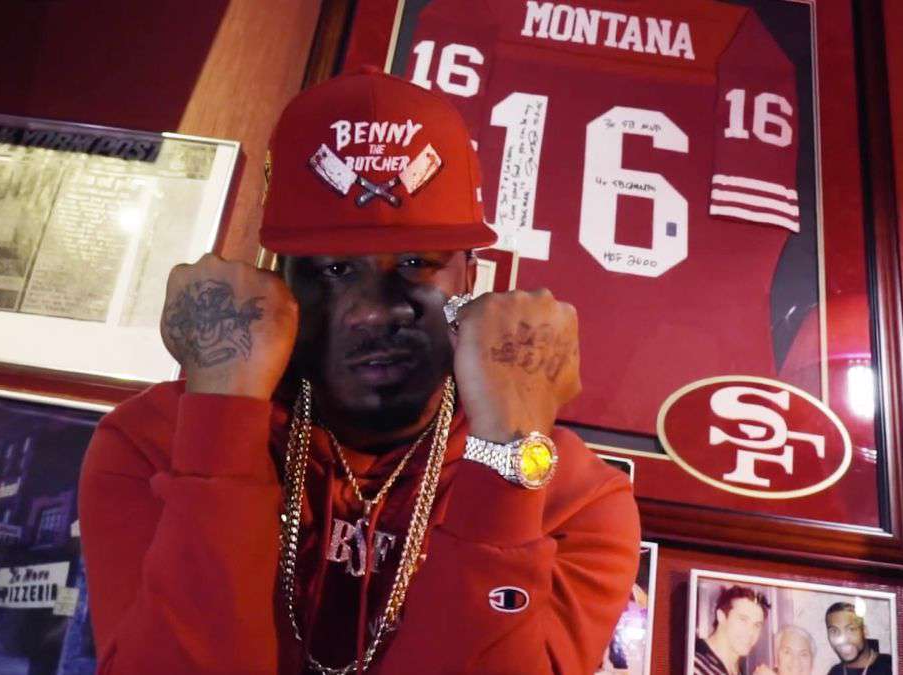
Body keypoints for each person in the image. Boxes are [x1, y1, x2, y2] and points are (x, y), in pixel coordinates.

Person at [78, 68, 641, 674]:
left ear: (471, 277)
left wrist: (508, 452)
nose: (375, 310)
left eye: (416, 262)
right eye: (334, 269)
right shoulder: (154, 441)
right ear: (277, 279)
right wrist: (220, 418)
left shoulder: (575, 500)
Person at [693, 585, 773, 675]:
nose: (751, 632)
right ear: (721, 617)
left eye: (757, 625)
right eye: (743, 620)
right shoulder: (695, 663)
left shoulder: (736, 670)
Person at [824, 602, 894, 675]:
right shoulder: (834, 672)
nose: (843, 640)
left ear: (864, 631)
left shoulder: (891, 666)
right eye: (834, 631)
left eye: (851, 629)